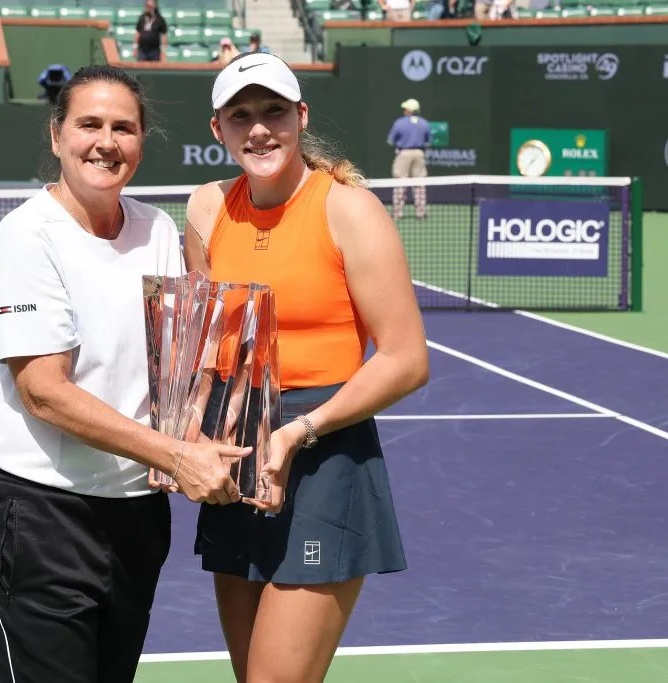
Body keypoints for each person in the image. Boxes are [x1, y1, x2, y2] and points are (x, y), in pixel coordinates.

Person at [0, 65, 252, 683]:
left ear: (142, 141)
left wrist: (201, 432)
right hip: (36, 512)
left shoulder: (158, 230)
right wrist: (177, 455)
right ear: (57, 134)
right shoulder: (26, 239)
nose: (106, 142)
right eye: (89, 124)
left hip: (135, 514)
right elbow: (44, 394)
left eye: (124, 128)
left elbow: (172, 365)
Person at [181, 51, 429, 683]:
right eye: (241, 115)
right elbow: (203, 346)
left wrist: (299, 431)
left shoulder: (348, 209)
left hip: (322, 455)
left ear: (300, 116)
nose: (258, 128)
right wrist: (184, 434)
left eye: (273, 111)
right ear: (219, 129)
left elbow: (406, 360)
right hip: (236, 455)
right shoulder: (206, 209)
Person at [387, 98, 430, 220]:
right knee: (420, 184)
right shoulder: (424, 123)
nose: (404, 110)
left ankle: (397, 213)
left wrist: (398, 146)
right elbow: (428, 141)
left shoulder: (399, 123)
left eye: (405, 109)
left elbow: (390, 141)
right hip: (419, 154)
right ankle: (421, 213)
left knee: (401, 183)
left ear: (409, 110)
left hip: (404, 153)